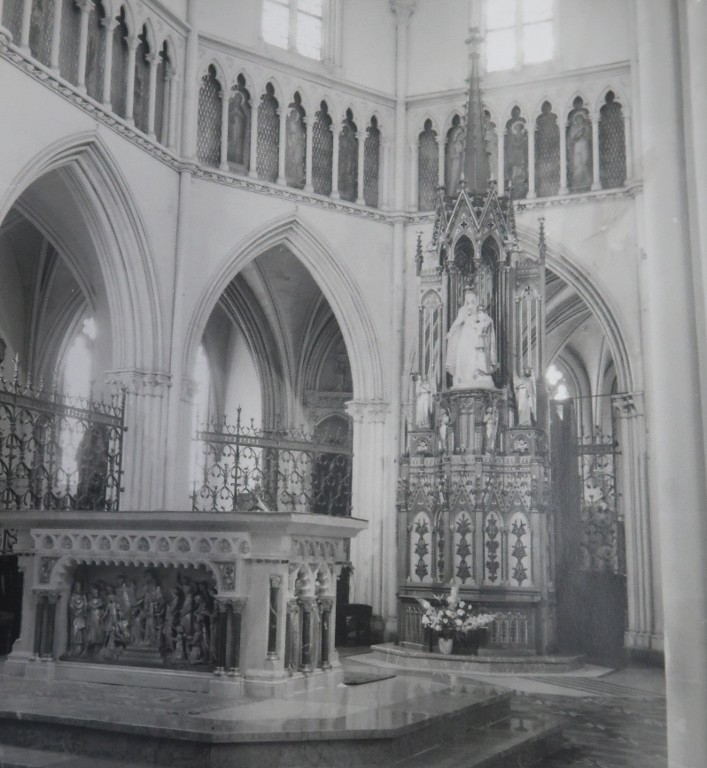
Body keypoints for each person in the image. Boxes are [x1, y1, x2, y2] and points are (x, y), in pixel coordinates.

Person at [445, 288, 497, 389]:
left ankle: (477, 375)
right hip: (465, 337)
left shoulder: (479, 313)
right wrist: (451, 332)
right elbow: (457, 323)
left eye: (472, 302)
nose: (470, 305)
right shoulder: (463, 312)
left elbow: (487, 321)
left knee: (475, 356)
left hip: (475, 338)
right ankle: (462, 378)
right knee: (463, 355)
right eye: (467, 302)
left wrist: (485, 322)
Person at [68, 582, 87, 656]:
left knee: (81, 633)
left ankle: (81, 649)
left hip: (81, 617)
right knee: (74, 632)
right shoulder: (72, 597)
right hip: (75, 617)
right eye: (76, 586)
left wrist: (82, 613)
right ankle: (73, 649)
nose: (77, 588)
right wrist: (75, 612)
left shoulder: (83, 597)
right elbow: (71, 606)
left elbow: (85, 606)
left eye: (79, 586)